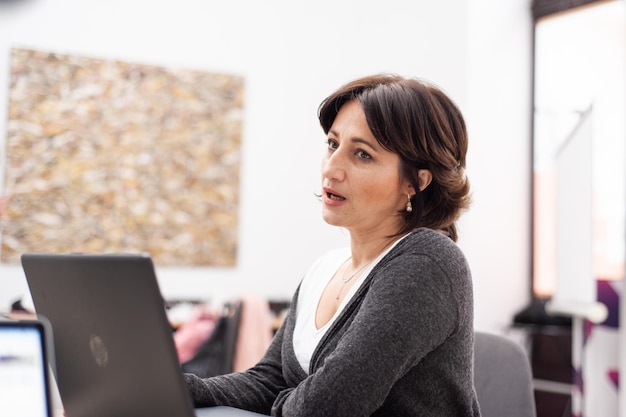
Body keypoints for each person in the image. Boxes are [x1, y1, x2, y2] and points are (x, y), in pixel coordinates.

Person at [184, 73, 480, 416]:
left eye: (362, 155)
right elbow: (268, 381)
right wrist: (179, 387)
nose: (332, 169)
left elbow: (327, 407)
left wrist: (290, 398)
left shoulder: (428, 262)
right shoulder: (325, 268)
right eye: (332, 144)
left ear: (416, 182)